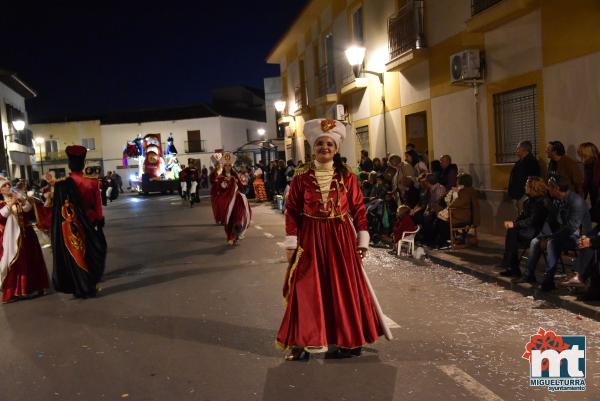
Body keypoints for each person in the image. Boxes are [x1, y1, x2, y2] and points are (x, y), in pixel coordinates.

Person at [278, 119, 391, 361]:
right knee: (305, 288)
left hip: (341, 238)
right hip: (310, 238)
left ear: (336, 148)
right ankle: (301, 342)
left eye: (329, 144)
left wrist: (362, 240)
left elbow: (358, 208)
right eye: (320, 144)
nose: (325, 148)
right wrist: (291, 242)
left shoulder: (348, 177)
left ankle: (349, 341)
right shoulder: (300, 178)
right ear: (312, 148)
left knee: (343, 289)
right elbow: (292, 211)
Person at [52, 145, 107, 299]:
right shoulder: (92, 182)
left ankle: (78, 286)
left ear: (69, 164)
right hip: (90, 222)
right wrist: (99, 219)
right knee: (90, 254)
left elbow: (56, 209)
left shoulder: (61, 184)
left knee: (75, 255)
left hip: (70, 226)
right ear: (83, 164)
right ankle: (89, 285)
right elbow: (98, 204)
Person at [521, 176, 592, 291]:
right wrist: (544, 235)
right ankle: (528, 275)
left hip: (579, 237)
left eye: (550, 186)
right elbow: (551, 220)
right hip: (563, 234)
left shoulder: (576, 201)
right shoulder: (557, 200)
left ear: (556, 188)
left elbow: (571, 228)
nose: (548, 189)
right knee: (536, 241)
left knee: (552, 243)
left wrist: (551, 238)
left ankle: (548, 281)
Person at [0, 178, 49, 303]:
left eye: (8, 184)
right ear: (1, 190)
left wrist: (22, 201)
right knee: (16, 263)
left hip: (27, 235)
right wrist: (11, 203)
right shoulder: (2, 203)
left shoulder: (17, 197)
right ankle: (17, 290)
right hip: (11, 238)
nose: (7, 186)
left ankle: (35, 287)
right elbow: (2, 216)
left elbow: (28, 210)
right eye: (4, 185)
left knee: (32, 260)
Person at [498, 177, 549, 277]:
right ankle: (511, 266)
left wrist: (515, 224)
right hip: (528, 229)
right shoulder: (527, 201)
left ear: (532, 187)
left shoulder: (541, 202)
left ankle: (511, 265)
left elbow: (533, 220)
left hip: (539, 231)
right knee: (512, 233)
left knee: (512, 235)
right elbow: (521, 217)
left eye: (526, 185)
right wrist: (514, 223)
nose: (524, 187)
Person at [431, 173, 479, 249]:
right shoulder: (467, 190)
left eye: (458, 179)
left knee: (440, 222)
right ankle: (443, 241)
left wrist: (449, 205)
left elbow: (456, 204)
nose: (456, 181)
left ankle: (445, 241)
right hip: (463, 215)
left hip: (462, 217)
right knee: (438, 220)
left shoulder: (465, 192)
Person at [218, 152, 251, 245]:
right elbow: (220, 188)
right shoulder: (221, 177)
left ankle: (236, 235)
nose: (228, 167)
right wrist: (224, 183)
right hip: (227, 201)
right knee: (228, 220)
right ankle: (230, 236)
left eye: (229, 165)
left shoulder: (235, 175)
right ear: (223, 167)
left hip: (237, 200)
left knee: (238, 218)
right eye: (226, 165)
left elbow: (241, 186)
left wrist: (239, 181)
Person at [507, 141, 540, 211]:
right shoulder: (520, 162)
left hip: (524, 196)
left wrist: (523, 195)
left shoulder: (531, 162)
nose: (516, 150)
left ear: (524, 150)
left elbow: (530, 180)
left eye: (518, 148)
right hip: (519, 196)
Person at [577, 142, 600, 222]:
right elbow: (585, 186)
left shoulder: (597, 166)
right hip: (594, 201)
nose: (580, 158)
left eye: (582, 155)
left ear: (588, 155)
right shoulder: (588, 165)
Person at [209, 154, 227, 225]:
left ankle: (223, 219)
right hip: (215, 192)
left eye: (221, 163)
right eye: (218, 164)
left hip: (223, 191)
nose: (220, 165)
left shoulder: (224, 172)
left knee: (223, 206)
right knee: (216, 206)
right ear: (216, 165)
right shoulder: (213, 173)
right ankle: (218, 219)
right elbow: (212, 181)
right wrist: (218, 180)